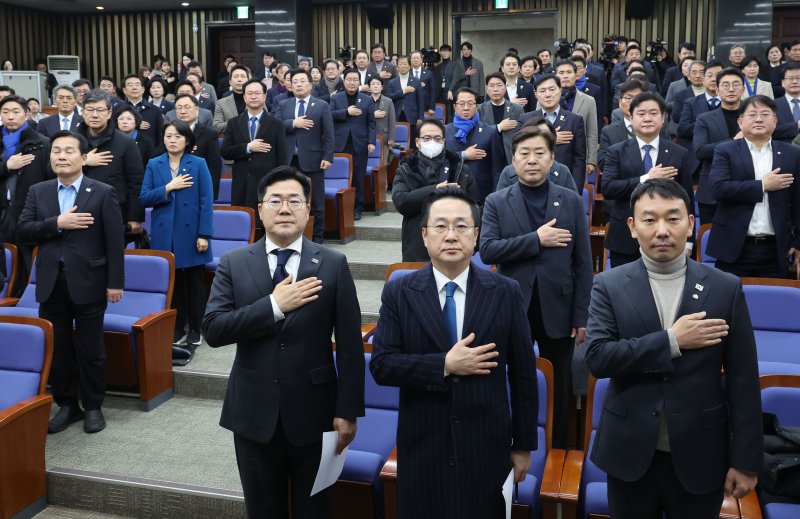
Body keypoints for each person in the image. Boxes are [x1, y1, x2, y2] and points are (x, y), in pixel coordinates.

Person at [584, 179, 762, 519]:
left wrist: (746, 460)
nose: (662, 230)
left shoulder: (725, 287)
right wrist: (672, 341)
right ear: (633, 228)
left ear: (691, 224)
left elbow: (743, 379)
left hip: (702, 452)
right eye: (650, 220)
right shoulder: (608, 285)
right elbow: (598, 358)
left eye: (674, 218)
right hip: (629, 451)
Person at [203, 166, 364, 518]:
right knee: (263, 510)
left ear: (309, 210)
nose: (285, 208)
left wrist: (347, 410)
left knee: (314, 510)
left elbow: (351, 347)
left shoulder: (333, 264)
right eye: (275, 200)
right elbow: (214, 330)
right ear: (260, 209)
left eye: (295, 200)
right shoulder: (233, 263)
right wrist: (274, 306)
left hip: (315, 412)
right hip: (252, 413)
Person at [370, 186, 538, 518]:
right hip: (423, 445)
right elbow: (382, 365)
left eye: (461, 226)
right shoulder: (400, 290)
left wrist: (522, 445)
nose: (451, 235)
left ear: (476, 236)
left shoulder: (505, 291)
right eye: (441, 226)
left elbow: (522, 375)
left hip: (486, 444)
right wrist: (443, 365)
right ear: (425, 235)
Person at [480, 126, 592, 449]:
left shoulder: (570, 200)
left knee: (560, 383)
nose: (532, 160)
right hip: (511, 305)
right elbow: (487, 250)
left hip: (560, 307)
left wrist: (581, 315)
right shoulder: (496, 201)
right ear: (513, 161)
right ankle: (509, 441)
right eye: (524, 154)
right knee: (509, 376)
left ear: (552, 159)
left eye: (539, 153)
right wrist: (536, 240)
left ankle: (557, 447)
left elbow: (583, 263)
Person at [18, 130, 125, 434]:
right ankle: (67, 405)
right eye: (56, 151)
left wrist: (114, 282)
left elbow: (114, 242)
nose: (61, 156)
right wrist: (57, 224)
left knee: (91, 348)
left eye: (68, 151)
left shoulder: (101, 191)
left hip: (90, 281)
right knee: (59, 348)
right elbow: (23, 230)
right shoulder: (38, 191)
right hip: (51, 283)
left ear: (83, 156)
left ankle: (93, 406)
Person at [141, 120, 213, 359]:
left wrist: (204, 234)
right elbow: (144, 197)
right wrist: (168, 187)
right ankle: (176, 326)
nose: (172, 140)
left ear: (187, 140)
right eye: (168, 136)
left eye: (177, 136)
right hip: (164, 234)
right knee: (173, 286)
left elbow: (206, 201)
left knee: (194, 284)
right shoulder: (154, 163)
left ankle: (196, 328)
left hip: (192, 233)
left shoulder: (199, 163)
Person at [708, 95, 800, 278]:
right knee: (728, 303)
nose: (758, 119)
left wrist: (798, 241)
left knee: (774, 304)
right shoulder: (726, 150)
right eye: (752, 114)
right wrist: (762, 186)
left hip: (776, 249)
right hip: (733, 248)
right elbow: (718, 189)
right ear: (741, 122)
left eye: (765, 114)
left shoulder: (792, 153)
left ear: (775, 121)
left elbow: (798, 202)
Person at [602, 92, 694, 267]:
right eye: (641, 114)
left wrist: (689, 241)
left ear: (663, 118)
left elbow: (687, 197)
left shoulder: (678, 153)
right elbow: (608, 188)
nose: (647, 118)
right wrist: (646, 178)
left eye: (653, 113)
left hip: (667, 237)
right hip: (625, 236)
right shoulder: (617, 151)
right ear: (631, 118)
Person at [392, 119, 479, 261]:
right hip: (417, 244)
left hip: (454, 243)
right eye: (427, 138)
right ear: (418, 142)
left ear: (444, 141)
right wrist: (435, 190)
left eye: (437, 138)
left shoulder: (459, 167)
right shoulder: (406, 169)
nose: (432, 142)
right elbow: (401, 201)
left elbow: (475, 204)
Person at [0, 94, 52, 294]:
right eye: (5, 112)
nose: (10, 116)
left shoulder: (42, 143)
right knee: (5, 264)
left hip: (29, 211)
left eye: (15, 112)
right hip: (3, 210)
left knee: (29, 262)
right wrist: (6, 166)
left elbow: (49, 180)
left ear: (27, 115)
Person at [76, 90, 146, 239]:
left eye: (100, 110)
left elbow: (136, 181)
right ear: (82, 112)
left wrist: (135, 217)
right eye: (89, 110)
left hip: (114, 212)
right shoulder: (71, 140)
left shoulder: (125, 143)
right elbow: (52, 171)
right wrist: (83, 162)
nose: (94, 115)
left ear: (109, 113)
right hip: (76, 212)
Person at [276, 69, 335, 244]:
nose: (299, 84)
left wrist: (328, 157)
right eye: (295, 82)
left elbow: (329, 134)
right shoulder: (283, 104)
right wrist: (294, 123)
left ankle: (317, 238)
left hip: (314, 160)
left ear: (310, 84)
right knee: (289, 199)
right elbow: (276, 125)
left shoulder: (321, 105)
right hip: (288, 160)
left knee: (316, 202)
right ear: (290, 85)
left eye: (302, 81)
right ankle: (292, 237)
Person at [221, 79, 288, 219]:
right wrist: (248, 147)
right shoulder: (234, 123)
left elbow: (283, 158)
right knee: (242, 220)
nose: (253, 96)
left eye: (257, 93)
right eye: (249, 93)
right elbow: (225, 152)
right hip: (242, 183)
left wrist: (280, 183)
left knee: (267, 221)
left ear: (264, 97)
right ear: (244, 97)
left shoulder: (276, 124)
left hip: (267, 182)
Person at [694, 67, 746, 224]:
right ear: (717, 89)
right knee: (709, 242)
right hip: (711, 191)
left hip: (745, 187)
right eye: (725, 85)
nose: (731, 89)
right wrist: (734, 141)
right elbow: (700, 151)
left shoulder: (754, 116)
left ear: (743, 89)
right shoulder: (704, 119)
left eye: (736, 84)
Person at [521, 74, 587, 190]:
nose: (548, 94)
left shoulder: (575, 120)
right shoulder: (525, 119)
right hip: (531, 181)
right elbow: (519, 149)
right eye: (542, 91)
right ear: (536, 94)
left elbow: (579, 159)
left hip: (563, 183)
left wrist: (576, 189)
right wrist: (551, 137)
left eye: (552, 89)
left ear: (560, 91)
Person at [330, 69, 376, 220]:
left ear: (359, 82)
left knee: (358, 177)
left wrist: (371, 142)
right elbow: (329, 116)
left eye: (355, 80)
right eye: (349, 79)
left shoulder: (367, 99)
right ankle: (341, 208)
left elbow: (371, 123)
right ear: (344, 81)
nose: (351, 82)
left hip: (360, 144)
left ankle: (358, 208)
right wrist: (346, 112)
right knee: (341, 178)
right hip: (340, 144)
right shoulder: (336, 98)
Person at [445, 87, 504, 203]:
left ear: (476, 106)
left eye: (470, 103)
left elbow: (497, 170)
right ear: (454, 106)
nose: (466, 107)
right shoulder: (444, 131)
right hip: (451, 193)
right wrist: (463, 155)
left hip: (481, 196)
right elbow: (440, 160)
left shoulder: (489, 132)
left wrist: (495, 197)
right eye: (462, 104)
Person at [158, 93, 222, 200]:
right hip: (171, 187)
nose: (183, 111)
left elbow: (214, 168)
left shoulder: (209, 134)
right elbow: (159, 157)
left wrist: (211, 194)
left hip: (197, 189)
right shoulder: (168, 133)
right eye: (179, 108)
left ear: (197, 109)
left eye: (187, 107)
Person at [495, 117, 578, 193]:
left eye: (545, 134)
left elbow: (572, 203)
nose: (539, 137)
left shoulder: (562, 171)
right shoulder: (509, 172)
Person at [554, 60, 599, 180]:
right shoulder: (546, 99)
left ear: (576, 75)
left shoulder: (589, 100)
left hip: (578, 156)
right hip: (553, 153)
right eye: (561, 72)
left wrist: (591, 160)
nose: (565, 76)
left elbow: (592, 132)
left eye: (569, 72)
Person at [598, 80, 645, 170]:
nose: (633, 102)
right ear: (620, 103)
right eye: (628, 98)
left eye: (638, 98)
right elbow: (603, 163)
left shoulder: (654, 127)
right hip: (621, 181)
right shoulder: (608, 132)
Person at [478, 72, 523, 164]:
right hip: (487, 155)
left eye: (499, 85)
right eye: (492, 86)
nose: (495, 89)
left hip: (510, 156)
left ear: (505, 88)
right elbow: (479, 133)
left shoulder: (517, 109)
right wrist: (499, 127)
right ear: (487, 89)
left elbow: (523, 133)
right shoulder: (480, 109)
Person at [387, 55, 425, 144]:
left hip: (412, 116)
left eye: (405, 64)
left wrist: (420, 117)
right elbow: (389, 97)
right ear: (397, 67)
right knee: (397, 141)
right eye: (400, 64)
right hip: (396, 114)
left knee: (412, 142)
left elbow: (420, 101)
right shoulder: (392, 82)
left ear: (410, 66)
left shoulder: (416, 81)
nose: (403, 66)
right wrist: (403, 91)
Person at [120, 74, 164, 146]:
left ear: (143, 89)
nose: (134, 88)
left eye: (137, 85)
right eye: (130, 85)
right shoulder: (117, 110)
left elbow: (160, 136)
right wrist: (135, 125)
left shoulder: (155, 110)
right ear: (124, 90)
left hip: (149, 154)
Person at [113, 105, 156, 169]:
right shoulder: (111, 140)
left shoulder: (146, 142)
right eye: (121, 118)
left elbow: (150, 166)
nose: (124, 122)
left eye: (129, 119)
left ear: (136, 121)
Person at [367, 76, 396, 164]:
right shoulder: (365, 100)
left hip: (384, 136)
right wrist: (373, 115)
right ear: (369, 87)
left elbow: (392, 120)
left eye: (378, 84)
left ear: (382, 87)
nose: (375, 86)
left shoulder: (388, 101)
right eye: (373, 84)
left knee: (383, 164)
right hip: (367, 136)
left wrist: (391, 138)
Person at [214, 65, 250, 133]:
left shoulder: (256, 100)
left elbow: (266, 122)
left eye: (243, 76)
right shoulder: (221, 103)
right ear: (230, 82)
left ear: (248, 80)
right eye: (236, 76)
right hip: (231, 141)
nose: (239, 79)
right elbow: (216, 127)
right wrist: (237, 121)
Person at [774, 62, 800, 142]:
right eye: (790, 78)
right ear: (782, 83)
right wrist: (797, 125)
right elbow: (771, 130)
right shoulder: (773, 105)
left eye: (798, 78)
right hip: (784, 151)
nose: (795, 81)